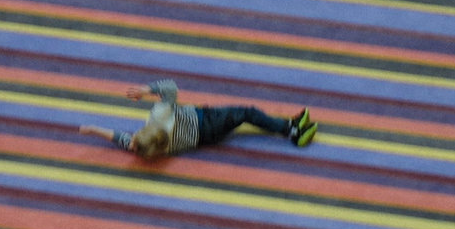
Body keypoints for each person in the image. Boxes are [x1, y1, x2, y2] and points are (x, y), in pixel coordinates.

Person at [80, 78, 316, 159]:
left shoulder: (155, 150)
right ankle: (290, 130)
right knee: (247, 113)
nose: (130, 140)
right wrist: (146, 89)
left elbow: (121, 139)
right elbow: (171, 88)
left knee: (243, 117)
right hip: (207, 120)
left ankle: (291, 127)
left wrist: (94, 130)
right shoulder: (160, 117)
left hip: (206, 138)